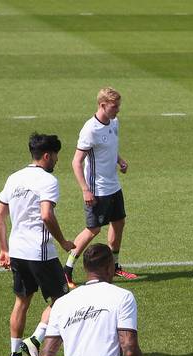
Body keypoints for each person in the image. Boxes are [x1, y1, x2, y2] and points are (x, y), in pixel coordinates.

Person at [0, 132, 73, 356]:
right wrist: (62, 241)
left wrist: (4, 249)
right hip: (40, 252)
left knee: (22, 301)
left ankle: (15, 354)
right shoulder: (48, 181)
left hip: (17, 250)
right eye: (56, 156)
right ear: (47, 155)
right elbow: (46, 214)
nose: (57, 161)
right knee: (62, 300)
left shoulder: (14, 178)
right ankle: (35, 340)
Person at [65, 87, 137, 289]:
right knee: (93, 229)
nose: (118, 110)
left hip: (114, 185)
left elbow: (109, 149)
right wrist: (85, 189)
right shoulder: (90, 129)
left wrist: (120, 160)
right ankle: (67, 270)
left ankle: (114, 266)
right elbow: (76, 162)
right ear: (103, 105)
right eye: (115, 107)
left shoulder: (114, 123)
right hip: (97, 189)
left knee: (119, 222)